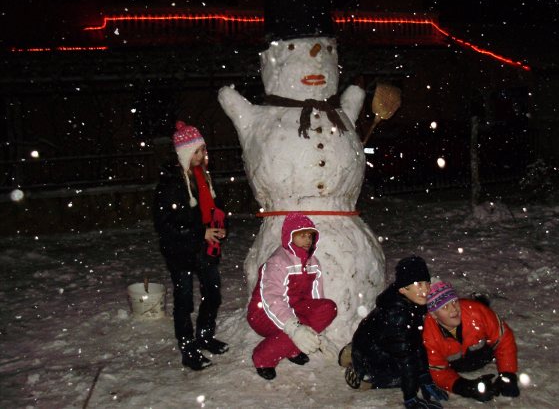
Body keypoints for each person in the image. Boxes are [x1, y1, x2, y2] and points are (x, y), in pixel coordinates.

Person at [153, 121, 228, 371]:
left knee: (213, 293)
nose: (202, 155)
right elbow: (166, 225)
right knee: (184, 301)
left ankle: (205, 336)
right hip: (180, 252)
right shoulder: (171, 183)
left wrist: (220, 224)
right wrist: (200, 232)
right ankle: (188, 348)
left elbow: (215, 206)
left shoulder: (203, 176)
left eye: (203, 150)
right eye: (196, 151)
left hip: (205, 248)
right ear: (184, 153)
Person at [339, 256, 448, 409]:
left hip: (377, 343)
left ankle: (353, 352)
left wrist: (425, 378)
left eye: (426, 283)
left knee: (413, 367)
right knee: (400, 376)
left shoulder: (412, 303)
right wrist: (411, 398)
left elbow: (416, 343)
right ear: (403, 289)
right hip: (372, 353)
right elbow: (407, 356)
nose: (425, 289)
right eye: (418, 284)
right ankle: (362, 374)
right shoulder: (397, 315)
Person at [247, 212, 339, 380]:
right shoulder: (278, 262)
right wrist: (294, 328)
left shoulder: (313, 263)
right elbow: (272, 298)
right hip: (264, 313)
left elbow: (316, 299)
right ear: (289, 236)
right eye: (301, 235)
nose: (307, 240)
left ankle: (292, 347)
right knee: (293, 328)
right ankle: (263, 357)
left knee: (328, 308)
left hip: (293, 309)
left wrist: (319, 335)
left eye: (310, 236)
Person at [423, 281, 520, 402]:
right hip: (456, 366)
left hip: (484, 354)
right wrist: (466, 388)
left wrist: (507, 374)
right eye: (445, 307)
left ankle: (481, 302)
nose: (454, 309)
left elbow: (503, 338)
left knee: (485, 316)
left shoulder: (477, 312)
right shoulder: (428, 335)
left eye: (454, 302)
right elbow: (437, 370)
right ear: (434, 314)